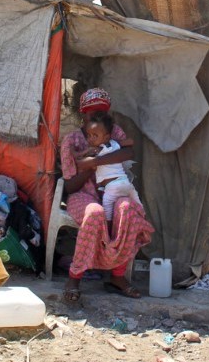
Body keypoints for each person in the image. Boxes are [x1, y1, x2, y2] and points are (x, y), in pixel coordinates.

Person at [59, 88, 153, 302]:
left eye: (101, 112)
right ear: (83, 115)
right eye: (92, 113)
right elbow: (71, 186)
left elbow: (128, 152)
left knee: (128, 210)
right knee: (95, 213)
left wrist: (95, 161)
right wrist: (90, 169)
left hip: (113, 190)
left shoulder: (113, 131)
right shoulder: (71, 141)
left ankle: (117, 276)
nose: (97, 117)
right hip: (82, 195)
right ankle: (75, 277)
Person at [80, 111, 143, 231]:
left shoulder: (96, 151)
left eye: (95, 135)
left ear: (107, 137)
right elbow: (131, 142)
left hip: (112, 187)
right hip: (126, 183)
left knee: (107, 210)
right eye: (89, 135)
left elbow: (82, 162)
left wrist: (79, 154)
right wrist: (118, 142)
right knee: (138, 206)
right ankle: (142, 223)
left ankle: (107, 232)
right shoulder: (114, 145)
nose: (91, 139)